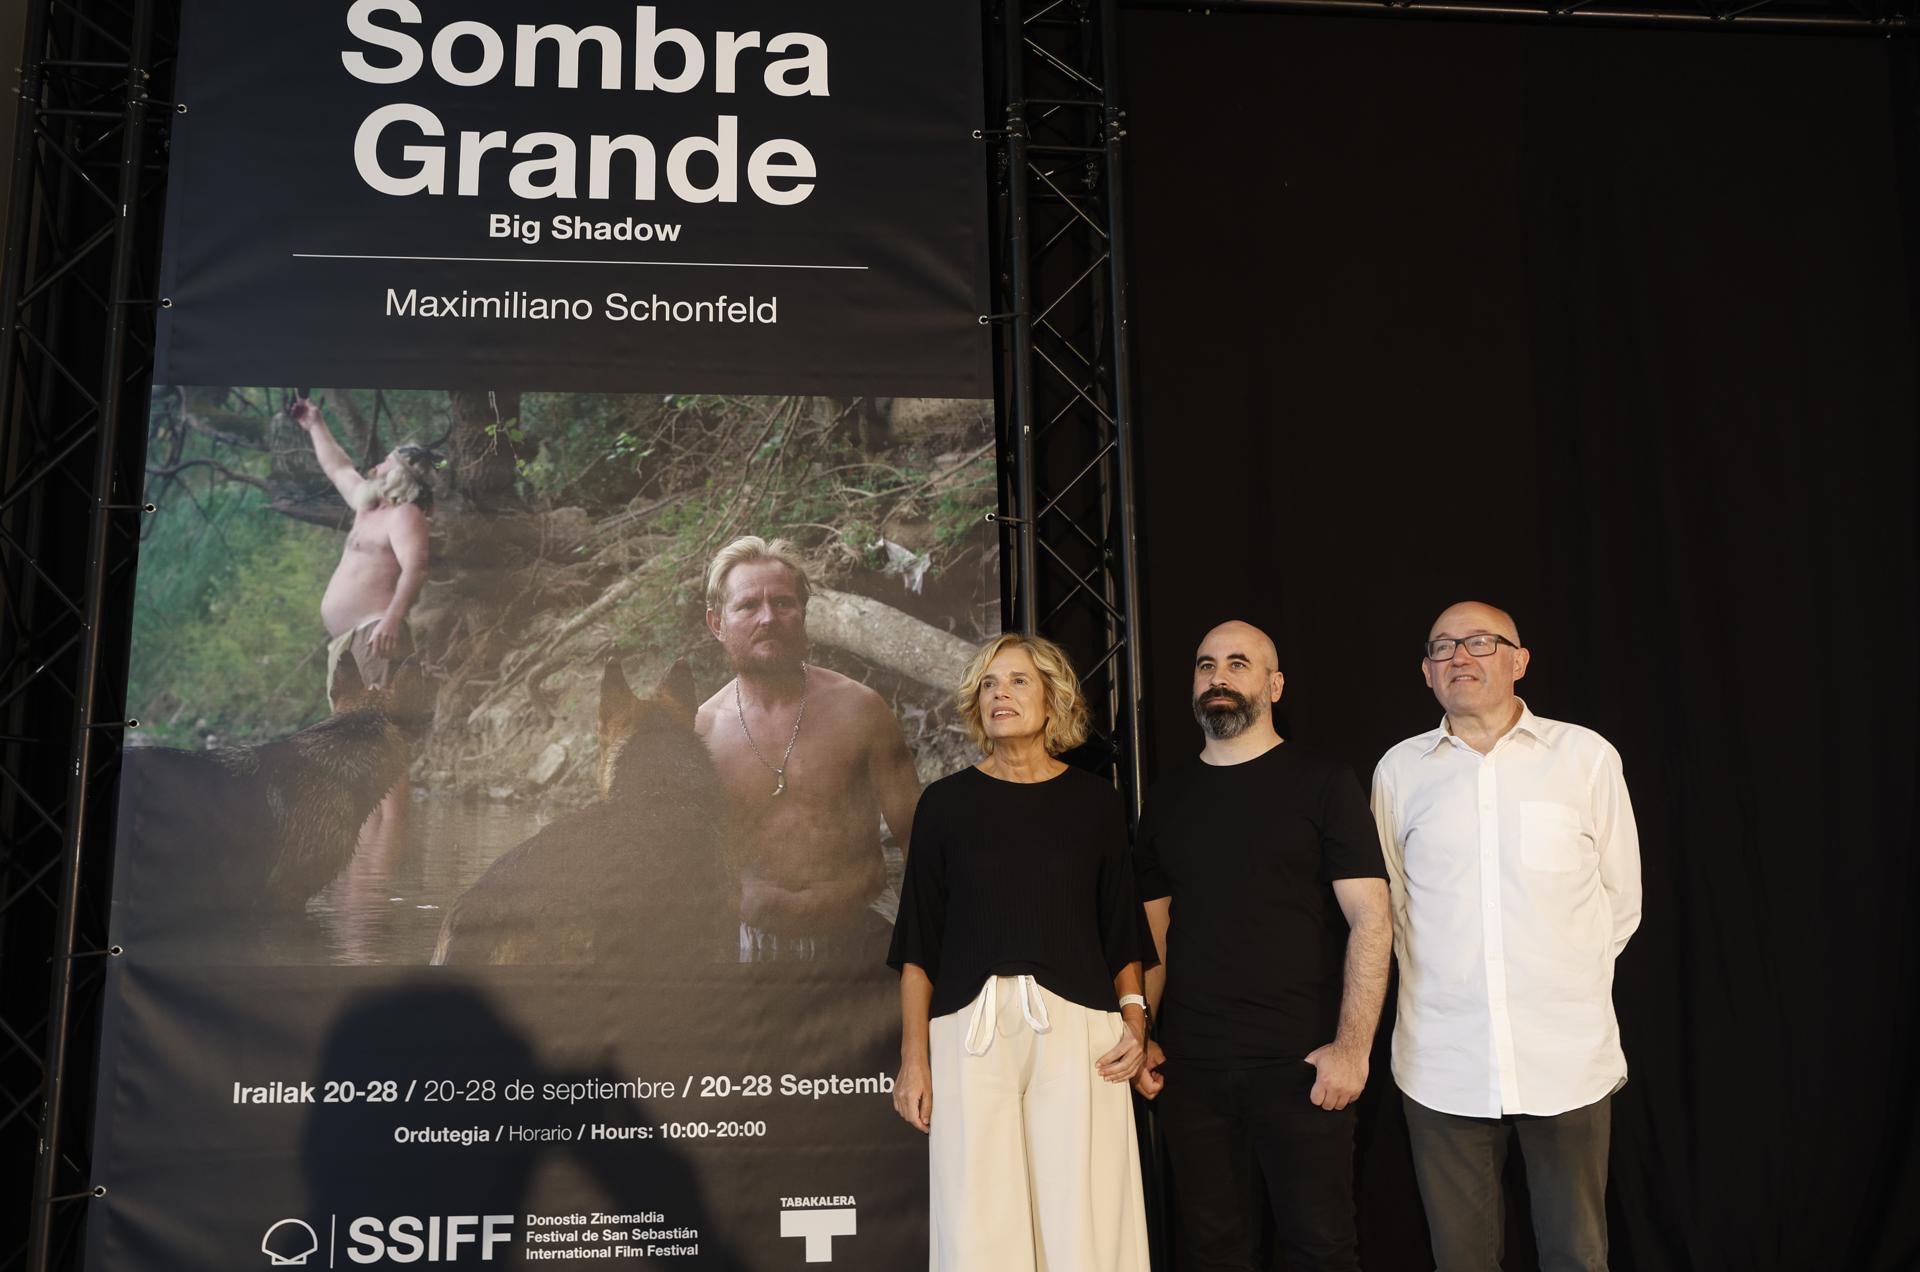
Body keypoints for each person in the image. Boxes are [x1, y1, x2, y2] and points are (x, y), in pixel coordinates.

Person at [1371, 601, 1642, 1272]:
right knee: (1461, 1260)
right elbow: (1393, 909)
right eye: (1441, 648)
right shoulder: (1399, 772)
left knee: (1577, 1256)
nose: (1459, 657)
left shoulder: (1585, 758)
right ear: (1426, 674)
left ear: (1519, 661)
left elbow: (1622, 900)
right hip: (1443, 1061)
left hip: (1566, 1056)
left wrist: (1561, 977)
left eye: (1480, 643)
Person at [888, 632, 1155, 1272]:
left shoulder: (1096, 803)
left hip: (1079, 1030)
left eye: (1017, 682)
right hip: (968, 1031)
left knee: (1083, 1218)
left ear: (1053, 699)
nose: (1000, 694)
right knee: (978, 1222)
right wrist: (913, 1057)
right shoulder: (944, 805)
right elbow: (919, 941)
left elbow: (1121, 929)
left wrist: (1137, 1022)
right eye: (988, 684)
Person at [1132, 620, 1392, 1271]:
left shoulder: (1324, 783)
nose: (1218, 677)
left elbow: (1372, 920)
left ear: (1273, 685)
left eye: (1237, 664)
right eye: (1205, 665)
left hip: (1304, 1066)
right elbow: (1154, 934)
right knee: (1214, 1252)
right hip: (1192, 1071)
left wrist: (1352, 1050)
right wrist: (1143, 1037)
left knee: (1321, 1249)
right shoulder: (1165, 800)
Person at [693, 536, 922, 961]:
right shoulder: (701, 733)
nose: (767, 618)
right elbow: (688, 863)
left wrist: (925, 941)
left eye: (782, 603)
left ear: (802, 613)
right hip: (752, 947)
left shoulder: (860, 710)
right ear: (716, 623)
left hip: (865, 931)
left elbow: (918, 837)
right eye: (747, 606)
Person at [290, 397, 433, 708]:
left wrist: (393, 620)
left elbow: (416, 567)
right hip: (346, 644)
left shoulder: (404, 514)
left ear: (398, 476)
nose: (375, 467)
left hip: (376, 636)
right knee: (351, 737)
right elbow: (338, 467)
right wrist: (315, 423)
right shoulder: (367, 507)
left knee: (378, 730)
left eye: (385, 462)